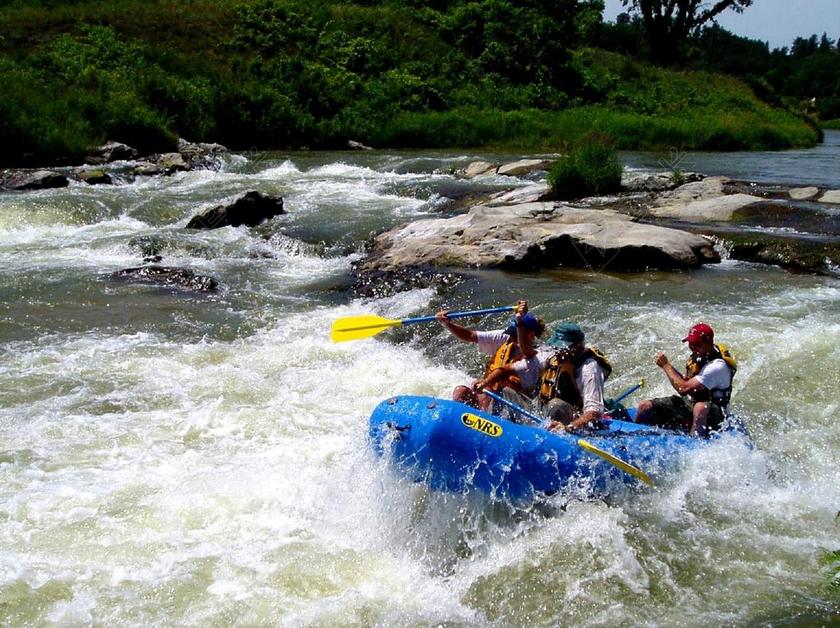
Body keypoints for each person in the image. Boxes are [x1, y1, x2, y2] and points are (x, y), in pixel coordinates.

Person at [436, 300, 546, 412]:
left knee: (505, 391)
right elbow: (470, 335)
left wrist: (485, 383)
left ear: (531, 335)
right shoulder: (505, 338)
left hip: (507, 404)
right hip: (486, 395)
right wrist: (447, 323)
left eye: (516, 334)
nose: (512, 337)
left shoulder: (537, 356)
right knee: (461, 391)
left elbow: (505, 373)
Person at [635, 322, 737, 438]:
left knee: (700, 408)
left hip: (716, 414)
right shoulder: (700, 355)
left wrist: (666, 365)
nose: (692, 347)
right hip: (692, 403)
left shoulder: (717, 367)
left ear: (707, 343)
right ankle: (632, 436)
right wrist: (669, 367)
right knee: (644, 406)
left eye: (695, 344)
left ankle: (696, 443)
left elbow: (683, 388)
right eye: (690, 343)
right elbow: (685, 382)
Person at [538, 323, 613, 433]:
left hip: (572, 420)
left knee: (555, 405)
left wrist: (569, 427)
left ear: (577, 347)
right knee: (508, 392)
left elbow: (594, 412)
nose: (558, 352)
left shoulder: (589, 368)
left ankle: (553, 433)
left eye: (562, 348)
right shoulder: (555, 357)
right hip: (545, 413)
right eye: (556, 347)